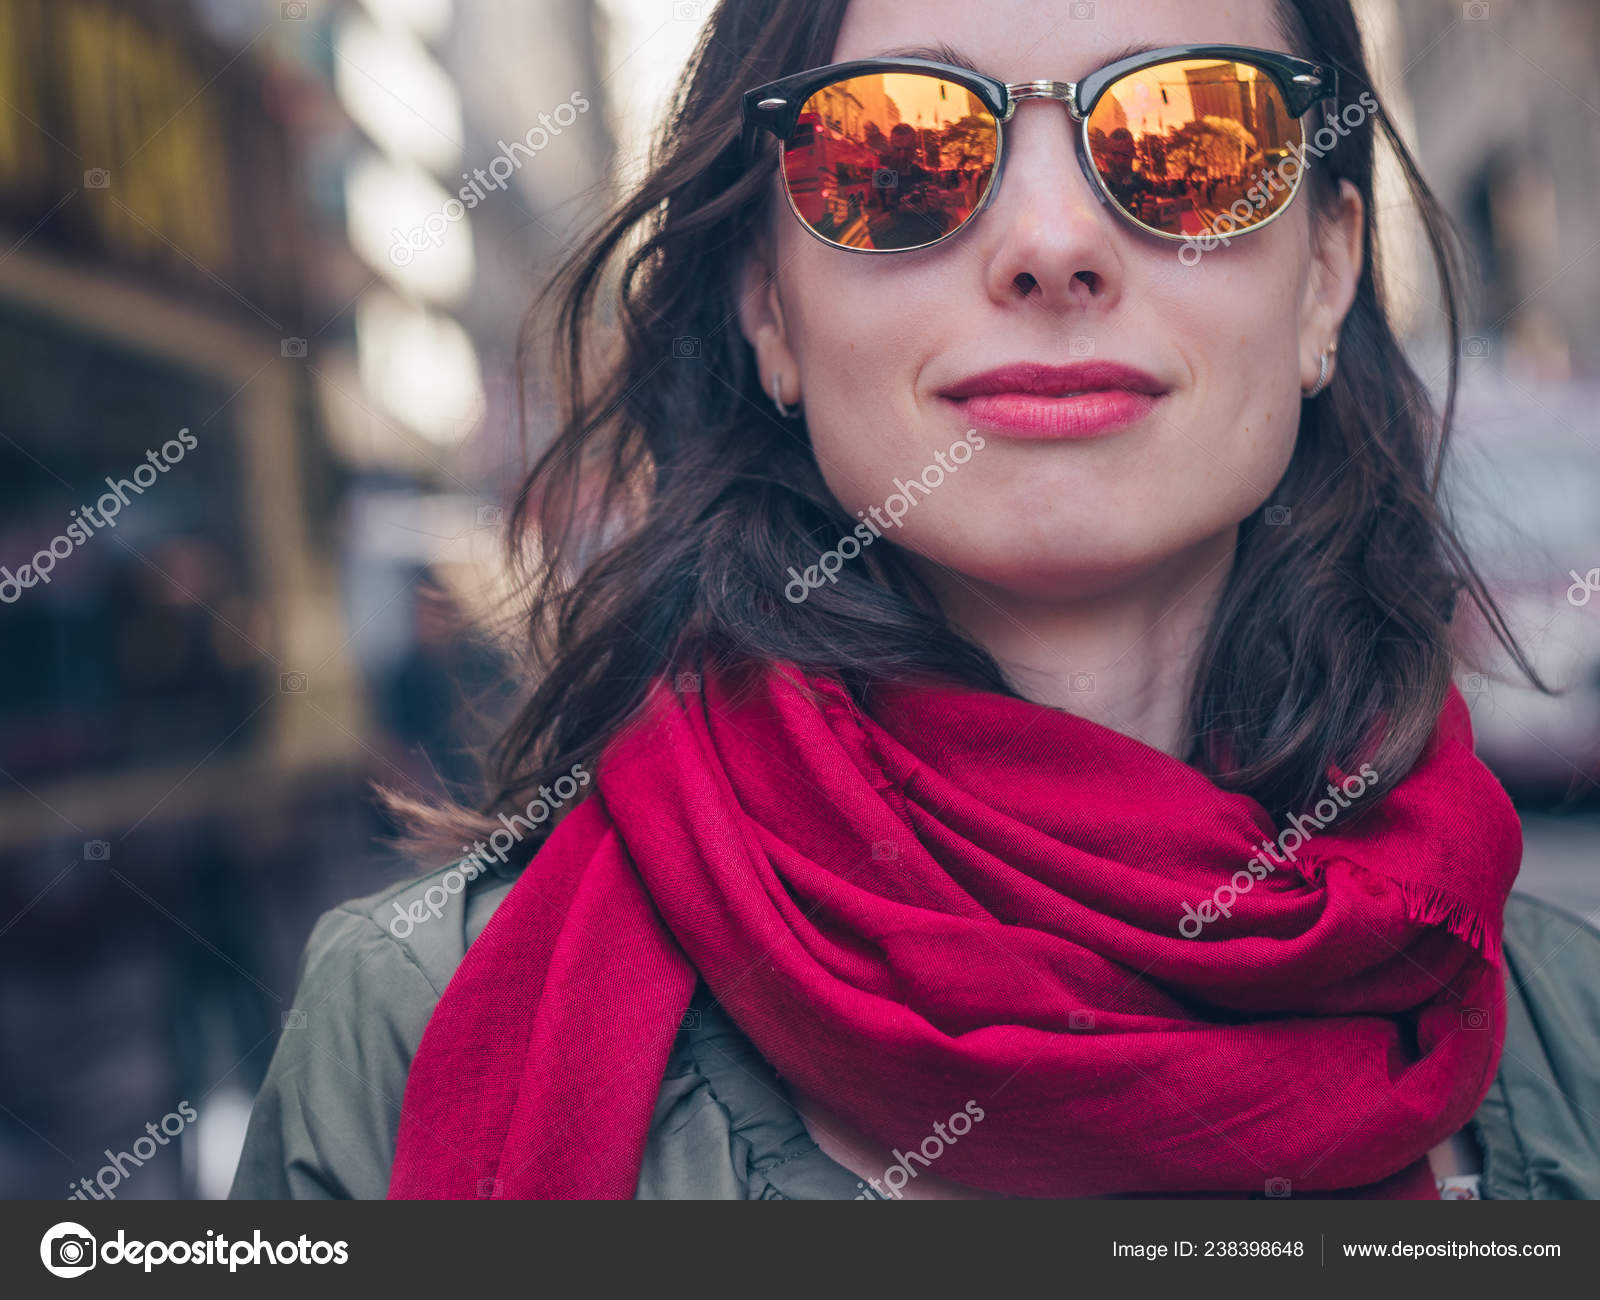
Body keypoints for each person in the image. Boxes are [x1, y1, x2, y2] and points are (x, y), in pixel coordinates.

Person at [233, 0, 1599, 1202]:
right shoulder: (408, 1024)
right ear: (768, 304)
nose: (1054, 246)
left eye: (1192, 135)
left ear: (1325, 276)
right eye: (897, 147)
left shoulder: (1570, 1036)